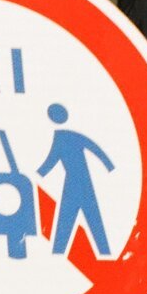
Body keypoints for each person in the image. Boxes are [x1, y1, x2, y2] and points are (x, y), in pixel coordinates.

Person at [37, 103, 114, 256]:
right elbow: (95, 149)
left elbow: (52, 159)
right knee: (86, 214)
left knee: (70, 215)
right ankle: (101, 250)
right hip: (80, 181)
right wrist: (108, 165)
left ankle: (60, 250)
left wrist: (40, 174)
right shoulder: (70, 136)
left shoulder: (61, 137)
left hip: (75, 182)